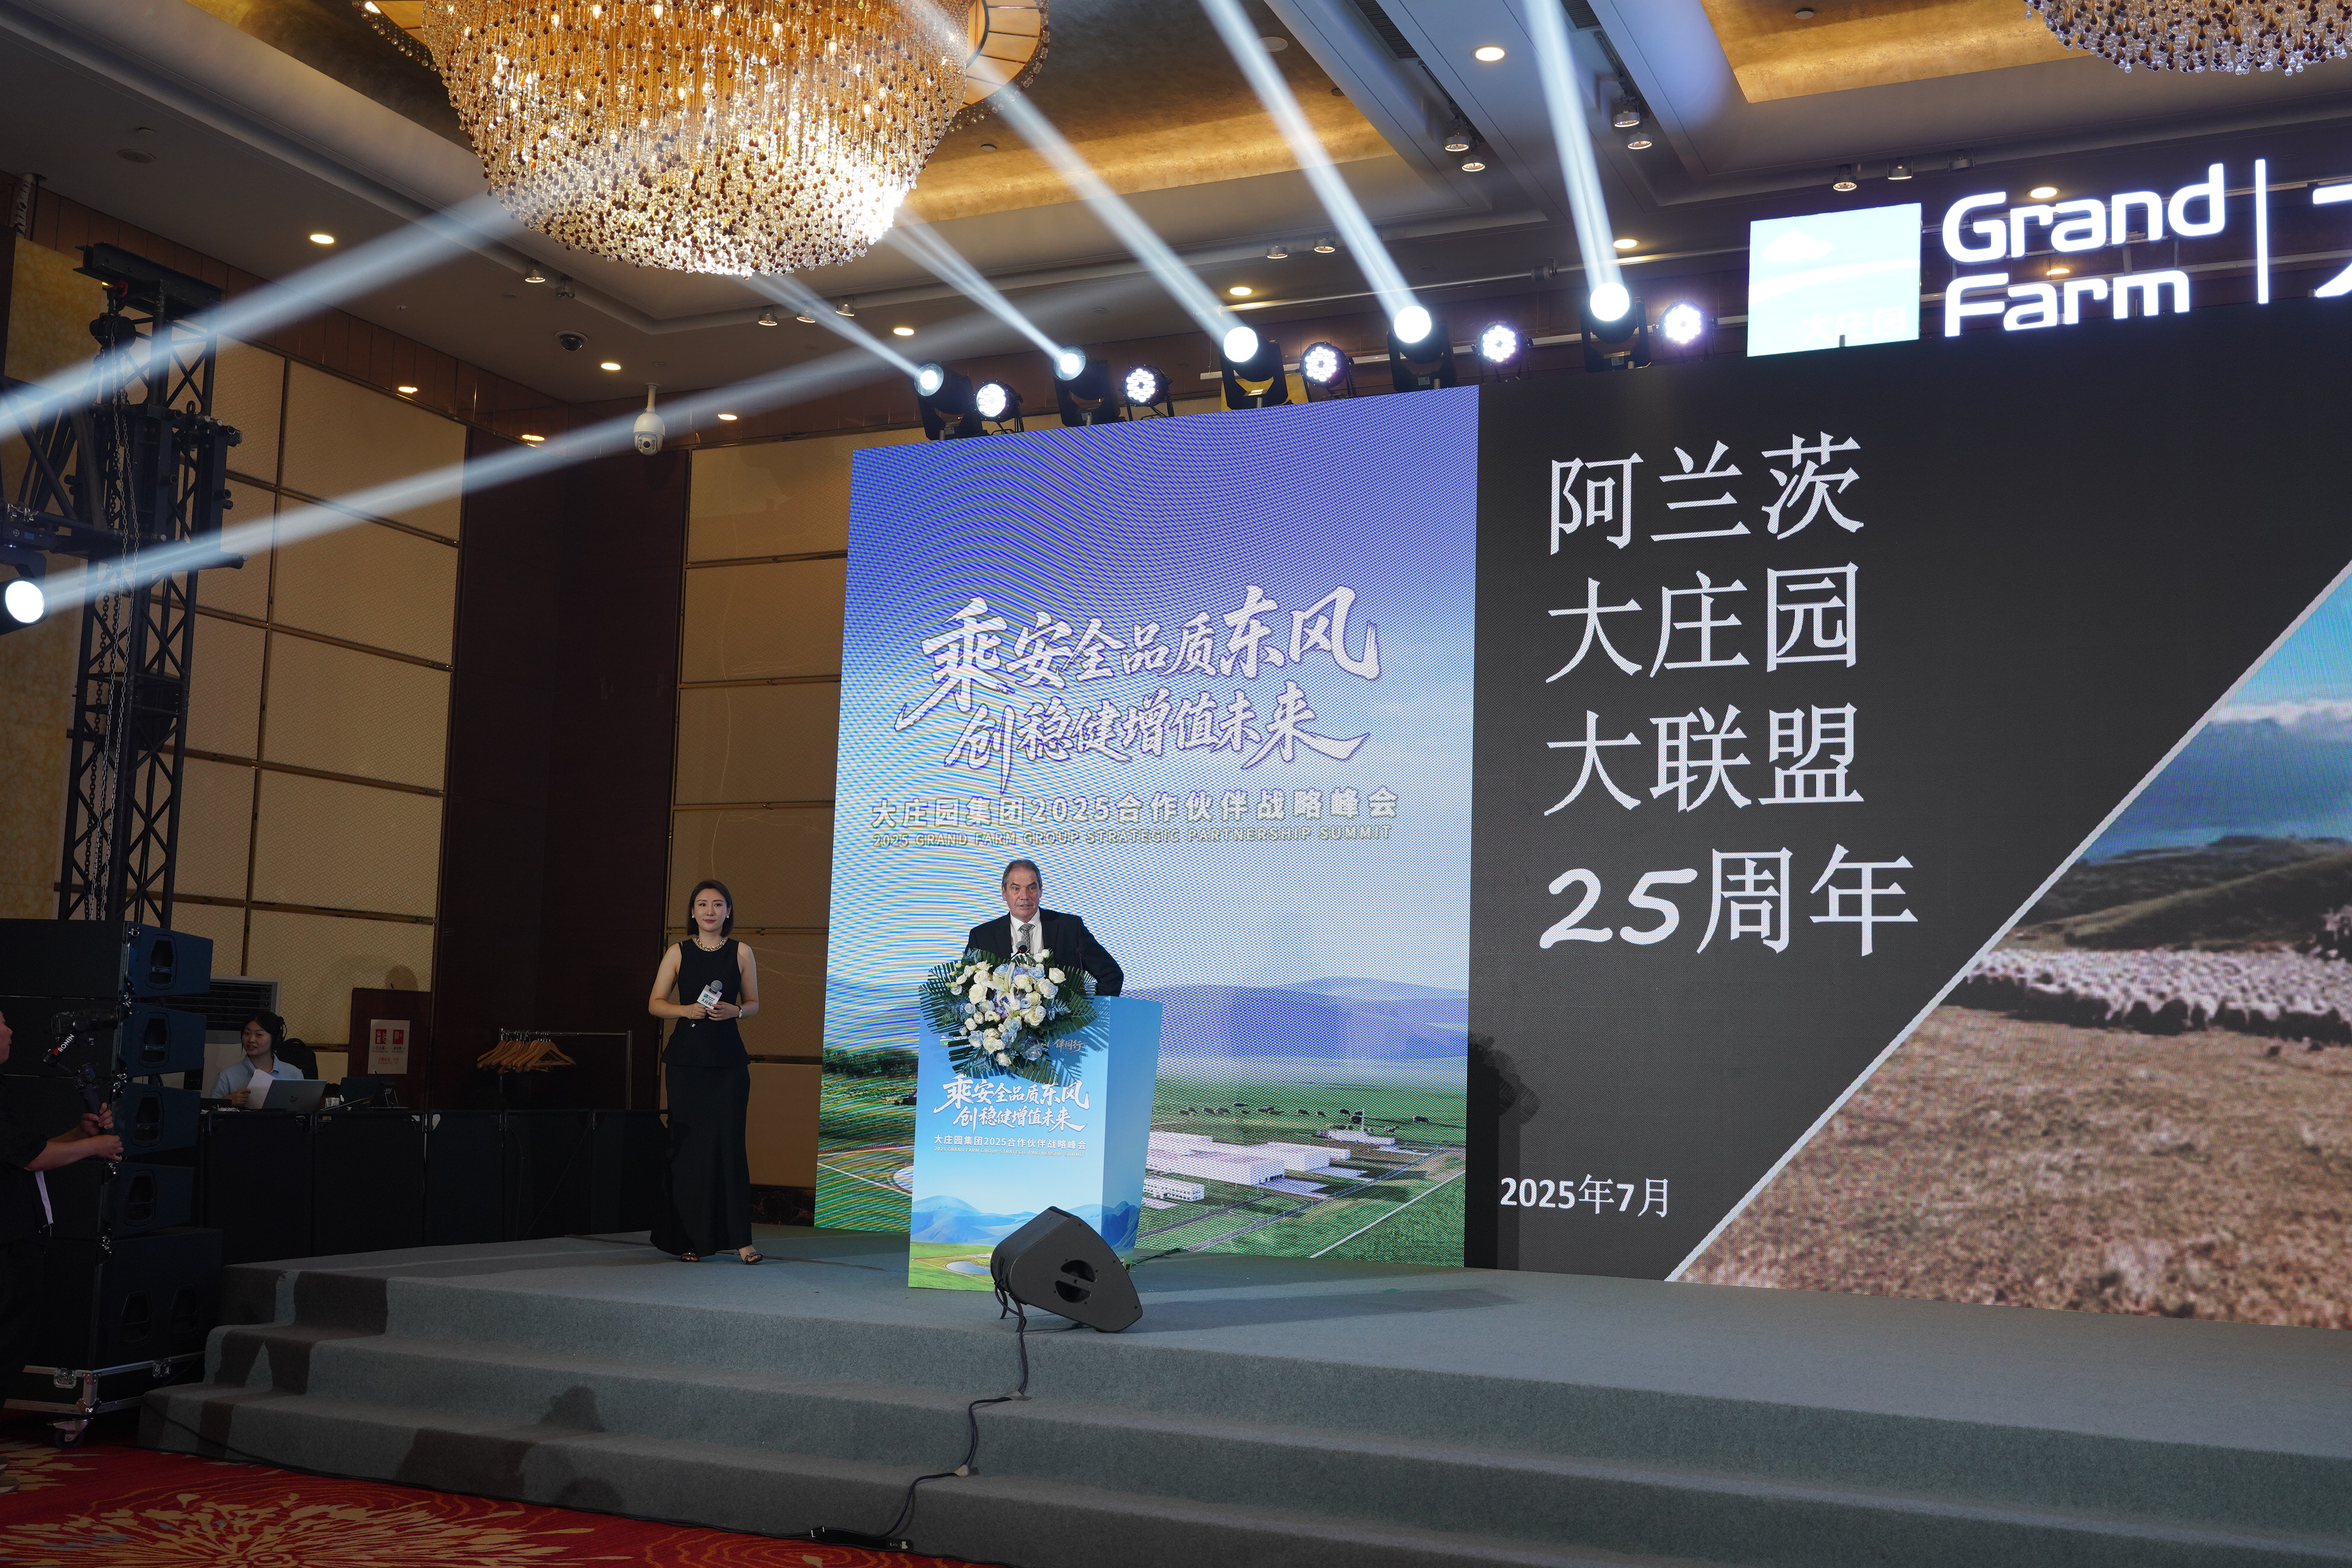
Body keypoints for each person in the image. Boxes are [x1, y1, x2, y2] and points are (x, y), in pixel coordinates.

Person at [0, 1008, 120, 1494]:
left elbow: (22, 1152)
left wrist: (78, 1136)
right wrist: (96, 1148)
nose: (10, 1029)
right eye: (1, 1022)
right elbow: (31, 1158)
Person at [646, 879, 761, 1265]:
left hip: (728, 1063)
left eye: (717, 904)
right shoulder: (677, 952)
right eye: (702, 904)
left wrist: (737, 1011)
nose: (710, 911)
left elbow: (753, 1003)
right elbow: (655, 1003)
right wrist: (685, 1010)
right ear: (693, 912)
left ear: (728, 912)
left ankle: (742, 1241)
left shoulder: (741, 951)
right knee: (689, 1150)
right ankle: (688, 1238)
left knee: (730, 1146)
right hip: (686, 1063)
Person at [965, 859, 1123, 996]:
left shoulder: (1070, 928)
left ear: (1041, 890)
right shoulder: (982, 937)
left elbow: (1111, 974)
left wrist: (1092, 1013)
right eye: (1016, 889)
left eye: (1032, 888)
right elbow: (966, 988)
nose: (1024, 896)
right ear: (1004, 892)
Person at [213, 1011, 305, 1108]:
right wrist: (227, 1102)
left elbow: (302, 1111)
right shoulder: (227, 1076)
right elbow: (208, 1112)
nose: (251, 1040)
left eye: (259, 1035)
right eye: (247, 1033)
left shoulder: (294, 1074)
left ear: (275, 1038)